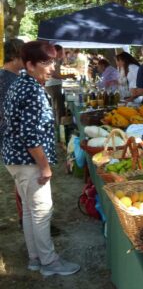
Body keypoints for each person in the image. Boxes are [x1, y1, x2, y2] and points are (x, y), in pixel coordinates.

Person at [2, 41, 80, 277]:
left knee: (29, 210)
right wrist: (44, 166)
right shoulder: (32, 90)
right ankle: (49, 261)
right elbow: (30, 135)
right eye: (46, 62)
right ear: (30, 64)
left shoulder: (21, 83)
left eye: (53, 61)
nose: (51, 67)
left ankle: (36, 259)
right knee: (41, 211)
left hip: (15, 159)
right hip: (28, 162)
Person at [1, 39, 25, 226]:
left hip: (9, 142)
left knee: (20, 183)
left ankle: (26, 218)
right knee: (23, 185)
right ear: (16, 55)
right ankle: (26, 219)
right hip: (15, 144)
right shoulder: (13, 81)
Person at [45, 45, 75, 124]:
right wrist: (68, 76)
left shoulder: (55, 59)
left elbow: (56, 74)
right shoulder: (53, 60)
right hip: (52, 85)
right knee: (58, 106)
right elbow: (55, 75)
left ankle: (58, 123)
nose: (62, 54)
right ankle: (59, 125)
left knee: (57, 105)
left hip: (54, 84)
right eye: (61, 52)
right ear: (56, 51)